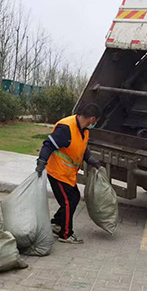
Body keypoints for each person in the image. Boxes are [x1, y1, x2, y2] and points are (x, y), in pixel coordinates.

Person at [35, 104, 103, 244]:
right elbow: (48, 144)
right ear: (92, 119)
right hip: (57, 172)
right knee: (68, 201)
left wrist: (91, 160)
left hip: (68, 173)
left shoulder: (83, 130)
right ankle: (66, 234)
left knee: (74, 198)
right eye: (96, 121)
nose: (95, 124)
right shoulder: (66, 128)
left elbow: (82, 148)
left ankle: (56, 223)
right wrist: (42, 161)